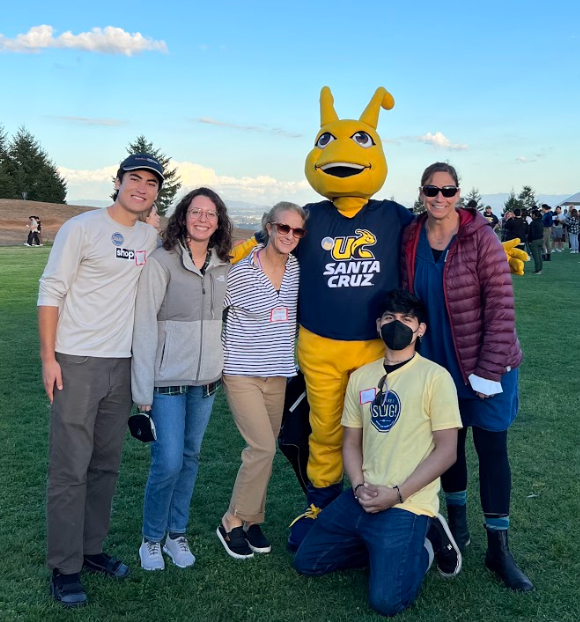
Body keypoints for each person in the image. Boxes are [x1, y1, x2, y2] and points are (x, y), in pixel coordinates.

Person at [401, 162, 533, 592]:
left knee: (492, 450)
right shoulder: (411, 236)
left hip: (488, 368)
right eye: (431, 190)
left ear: (459, 193)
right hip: (438, 368)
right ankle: (457, 525)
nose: (439, 197)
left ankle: (500, 548)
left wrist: (487, 372)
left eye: (448, 190)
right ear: (421, 192)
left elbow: (501, 308)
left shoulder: (482, 238)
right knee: (449, 448)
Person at [37, 154, 163, 608]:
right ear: (118, 182)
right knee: (70, 467)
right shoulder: (82, 227)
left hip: (122, 365)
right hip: (76, 361)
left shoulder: (149, 235)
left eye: (151, 183)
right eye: (135, 179)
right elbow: (51, 289)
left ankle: (91, 550)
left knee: (106, 465)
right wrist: (49, 358)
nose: (142, 187)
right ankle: (65, 566)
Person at [294, 289, 463, 617]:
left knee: (387, 601)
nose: (396, 325)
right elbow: (351, 443)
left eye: (405, 319)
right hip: (362, 495)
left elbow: (447, 452)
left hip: (407, 502)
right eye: (389, 319)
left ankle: (427, 544)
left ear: (420, 329)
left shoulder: (435, 377)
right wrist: (357, 486)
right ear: (377, 325)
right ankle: (382, 547)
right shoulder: (362, 377)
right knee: (307, 561)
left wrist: (397, 494)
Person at [132, 188, 233, 571]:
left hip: (205, 381)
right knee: (168, 461)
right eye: (196, 212)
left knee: (190, 459)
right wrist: (141, 388)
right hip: (164, 381)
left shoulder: (223, 264)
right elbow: (143, 324)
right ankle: (151, 539)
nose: (203, 219)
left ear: (219, 220)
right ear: (184, 217)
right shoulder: (162, 261)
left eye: (211, 213)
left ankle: (177, 534)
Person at [217, 202, 307, 559]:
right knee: (263, 448)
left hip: (279, 373)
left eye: (297, 231)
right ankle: (231, 521)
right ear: (269, 228)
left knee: (264, 452)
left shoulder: (298, 269)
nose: (289, 236)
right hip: (240, 372)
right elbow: (210, 309)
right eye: (283, 228)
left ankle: (252, 519)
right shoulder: (240, 270)